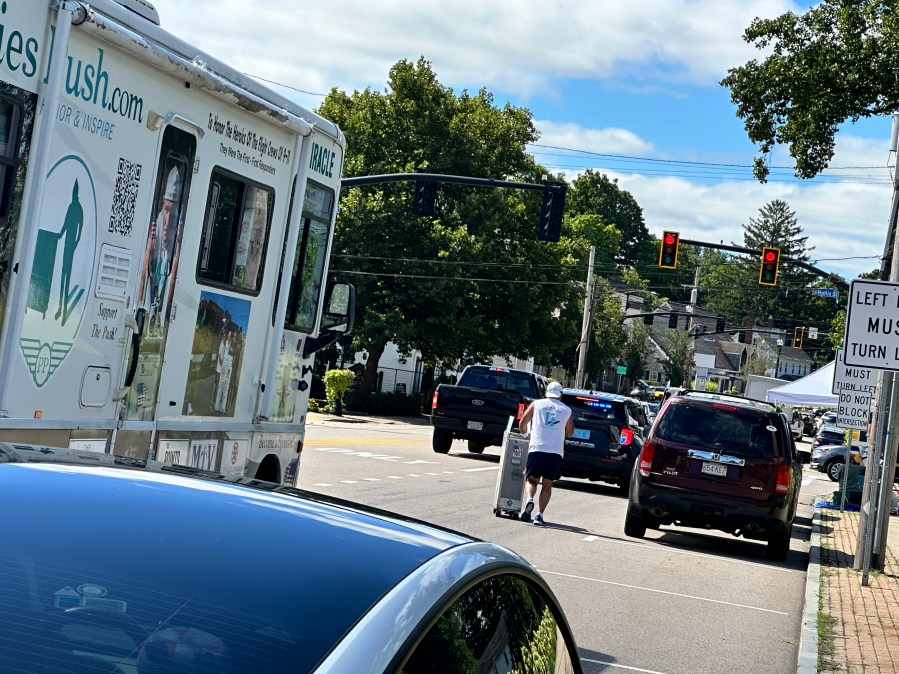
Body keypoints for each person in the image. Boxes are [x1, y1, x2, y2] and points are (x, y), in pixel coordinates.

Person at [518, 381, 573, 526]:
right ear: (561, 395)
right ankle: (539, 515)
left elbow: (523, 423)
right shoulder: (567, 410)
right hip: (555, 451)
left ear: (547, 392)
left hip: (537, 447)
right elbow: (569, 433)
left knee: (531, 480)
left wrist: (526, 435)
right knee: (547, 484)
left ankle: (529, 499)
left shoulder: (537, 404)